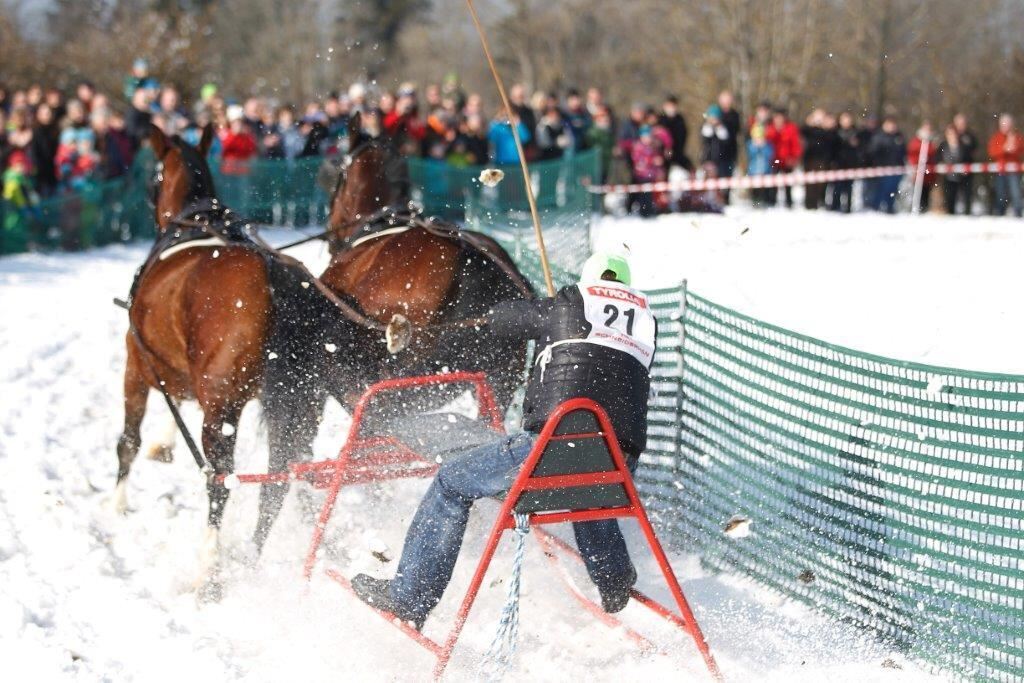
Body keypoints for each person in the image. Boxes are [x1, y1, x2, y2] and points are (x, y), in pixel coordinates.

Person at [350, 252, 657, 628]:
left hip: (549, 451)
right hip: (618, 468)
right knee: (586, 478)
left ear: (587, 278)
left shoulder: (569, 301)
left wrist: (536, 309)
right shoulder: (646, 322)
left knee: (451, 482)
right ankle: (615, 580)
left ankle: (410, 597)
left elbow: (506, 320)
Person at [866, 117, 906, 213]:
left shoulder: (899, 137)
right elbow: (872, 153)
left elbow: (903, 152)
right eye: (889, 125)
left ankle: (890, 208)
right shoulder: (878, 137)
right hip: (883, 169)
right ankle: (876, 207)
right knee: (881, 190)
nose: (891, 127)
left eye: (893, 125)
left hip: (896, 169)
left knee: (892, 190)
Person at [801, 109, 838, 210]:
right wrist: (809, 124)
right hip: (809, 161)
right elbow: (802, 132)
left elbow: (832, 142)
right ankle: (809, 204)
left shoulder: (828, 132)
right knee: (810, 184)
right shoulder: (809, 130)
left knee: (822, 184)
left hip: (823, 161)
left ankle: (820, 201)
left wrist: (829, 127)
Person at [765, 107, 802, 208]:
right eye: (776, 117)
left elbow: (795, 144)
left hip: (787, 159)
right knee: (773, 182)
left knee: (788, 182)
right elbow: (767, 142)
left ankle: (789, 202)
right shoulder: (770, 128)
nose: (778, 120)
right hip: (774, 159)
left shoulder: (791, 128)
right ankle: (771, 201)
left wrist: (794, 157)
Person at [987, 113, 1023, 217]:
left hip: (1014, 172)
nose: (1006, 126)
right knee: (1000, 194)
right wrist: (1004, 148)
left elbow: (1020, 151)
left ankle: (1018, 214)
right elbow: (992, 152)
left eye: (1008, 124)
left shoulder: (1017, 137)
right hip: (1001, 171)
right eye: (1004, 124)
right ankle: (1000, 214)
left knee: (1016, 194)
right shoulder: (996, 137)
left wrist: (1013, 147)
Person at [829, 112, 863, 213]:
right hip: (838, 164)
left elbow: (860, 150)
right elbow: (832, 148)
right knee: (836, 187)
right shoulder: (835, 132)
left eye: (848, 119)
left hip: (851, 164)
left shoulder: (856, 133)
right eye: (844, 119)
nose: (846, 121)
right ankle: (835, 206)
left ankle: (848, 207)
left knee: (849, 188)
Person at [631, 125, 665, 217]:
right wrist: (652, 160)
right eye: (645, 137)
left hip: (651, 175)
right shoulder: (638, 147)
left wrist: (659, 169)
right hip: (642, 175)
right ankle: (644, 211)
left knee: (650, 194)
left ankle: (649, 209)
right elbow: (639, 161)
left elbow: (657, 159)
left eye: (649, 136)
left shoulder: (653, 147)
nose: (647, 139)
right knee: (644, 194)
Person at [938, 124, 971, 215]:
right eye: (949, 134)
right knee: (949, 198)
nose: (952, 136)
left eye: (953, 133)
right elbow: (938, 158)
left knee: (965, 197)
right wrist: (941, 165)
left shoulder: (963, 146)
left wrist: (965, 167)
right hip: (948, 177)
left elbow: (968, 159)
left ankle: (966, 215)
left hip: (961, 177)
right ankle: (950, 214)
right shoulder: (943, 146)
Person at [906, 121, 938, 213]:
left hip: (928, 175)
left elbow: (934, 156)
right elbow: (912, 155)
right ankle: (915, 210)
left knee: (926, 194)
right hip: (917, 174)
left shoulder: (932, 142)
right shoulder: (916, 142)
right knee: (916, 194)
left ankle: (924, 210)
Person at [716, 91, 741, 203]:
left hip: (730, 151)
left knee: (728, 174)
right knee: (718, 176)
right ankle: (718, 198)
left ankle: (727, 199)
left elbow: (735, 131)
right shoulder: (716, 113)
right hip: (716, 152)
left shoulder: (735, 115)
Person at [951, 113, 978, 215]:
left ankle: (967, 213)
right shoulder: (951, 134)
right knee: (952, 193)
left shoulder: (970, 136)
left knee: (967, 193)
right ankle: (951, 213)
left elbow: (974, 149)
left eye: (963, 123)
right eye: (959, 123)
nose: (961, 125)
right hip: (953, 170)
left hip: (967, 169)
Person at [658, 95, 691, 171]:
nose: (672, 108)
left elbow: (683, 136)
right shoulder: (660, 120)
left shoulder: (680, 119)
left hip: (678, 153)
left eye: (673, 106)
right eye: (670, 105)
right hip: (663, 155)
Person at [746, 123, 774, 208]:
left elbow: (770, 155)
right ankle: (755, 201)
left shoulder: (767, 145)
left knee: (765, 188)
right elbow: (750, 154)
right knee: (755, 189)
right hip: (754, 171)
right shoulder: (750, 145)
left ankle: (765, 201)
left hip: (765, 170)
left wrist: (763, 147)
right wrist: (756, 147)